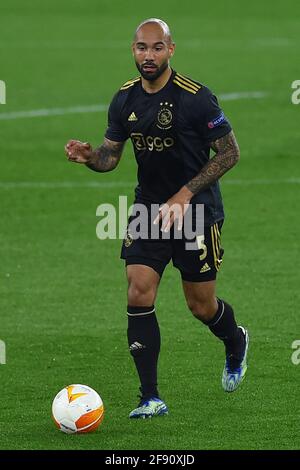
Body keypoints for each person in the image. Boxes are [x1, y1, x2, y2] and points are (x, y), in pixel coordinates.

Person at [65, 18, 249, 419]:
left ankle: (235, 341)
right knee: (138, 289)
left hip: (197, 212)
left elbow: (230, 153)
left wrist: (184, 195)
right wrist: (90, 157)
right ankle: (150, 397)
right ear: (133, 50)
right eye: (141, 48)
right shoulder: (125, 99)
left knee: (200, 306)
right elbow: (110, 156)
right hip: (148, 209)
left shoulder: (196, 98)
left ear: (171, 50)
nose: (148, 56)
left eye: (156, 48)